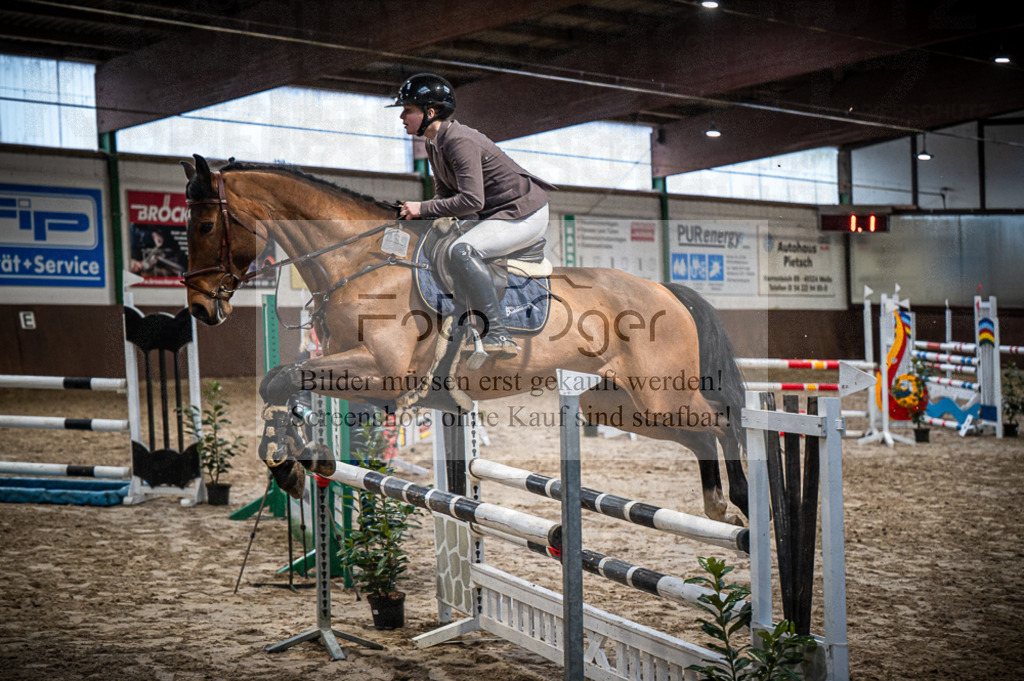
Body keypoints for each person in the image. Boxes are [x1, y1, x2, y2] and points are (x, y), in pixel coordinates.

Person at [392, 73, 555, 362]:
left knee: (463, 250)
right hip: (496, 213)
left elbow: (471, 201)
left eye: (408, 110)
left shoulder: (459, 141)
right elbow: (445, 195)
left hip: (523, 213)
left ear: (430, 113)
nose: (402, 116)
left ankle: (498, 333)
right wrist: (413, 212)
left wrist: (423, 208)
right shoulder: (434, 143)